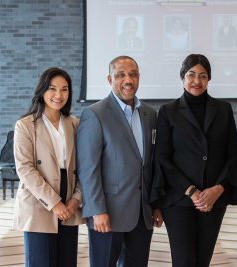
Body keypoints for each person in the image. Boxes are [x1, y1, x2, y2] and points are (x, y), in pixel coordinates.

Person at [152, 54, 237, 266]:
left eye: (203, 76)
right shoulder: (168, 111)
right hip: (179, 200)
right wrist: (192, 191)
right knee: (183, 261)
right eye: (191, 75)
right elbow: (162, 158)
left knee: (203, 260)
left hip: (214, 199)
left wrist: (218, 189)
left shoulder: (223, 109)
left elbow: (232, 154)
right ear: (183, 77)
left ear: (209, 79)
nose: (197, 81)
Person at [76, 55, 162, 267]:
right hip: (107, 215)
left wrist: (155, 205)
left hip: (143, 215)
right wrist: (97, 210)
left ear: (139, 78)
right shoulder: (94, 114)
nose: (128, 80)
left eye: (133, 75)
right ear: (109, 79)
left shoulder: (150, 114)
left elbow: (151, 166)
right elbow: (88, 169)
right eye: (120, 75)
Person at [13, 67, 84, 267]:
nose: (58, 95)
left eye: (64, 89)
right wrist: (55, 203)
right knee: (41, 262)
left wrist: (76, 200)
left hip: (69, 201)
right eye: (52, 89)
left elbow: (84, 167)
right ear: (42, 90)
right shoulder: (25, 125)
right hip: (39, 201)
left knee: (67, 261)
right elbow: (25, 169)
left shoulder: (75, 124)